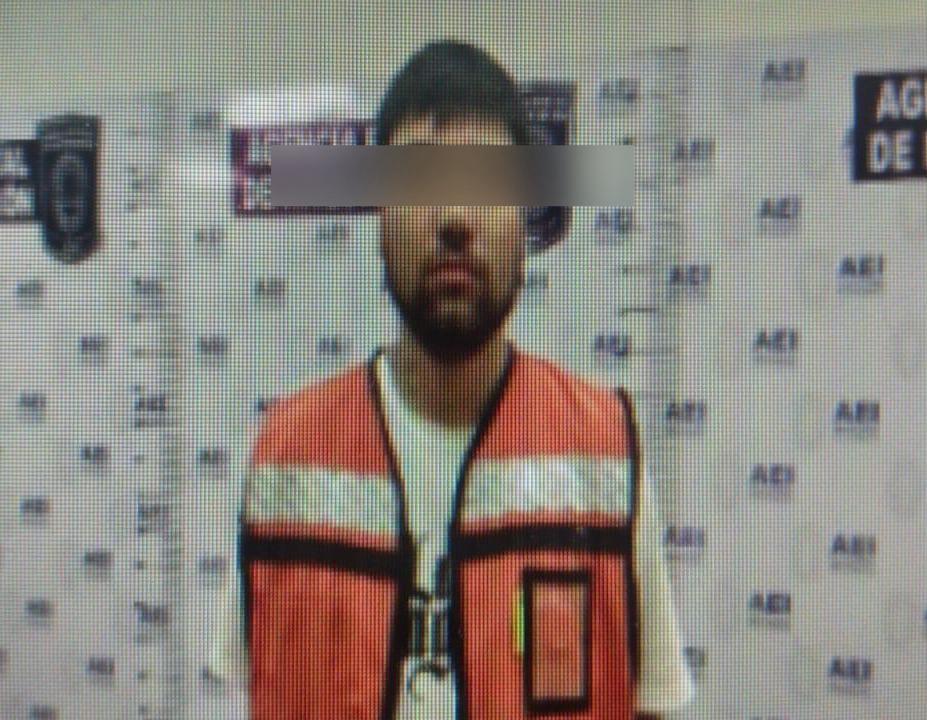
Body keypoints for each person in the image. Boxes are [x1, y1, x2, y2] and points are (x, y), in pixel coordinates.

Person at [209, 39, 694, 720]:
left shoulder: (606, 451)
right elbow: (258, 687)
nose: (454, 218)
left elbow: (651, 703)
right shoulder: (287, 453)